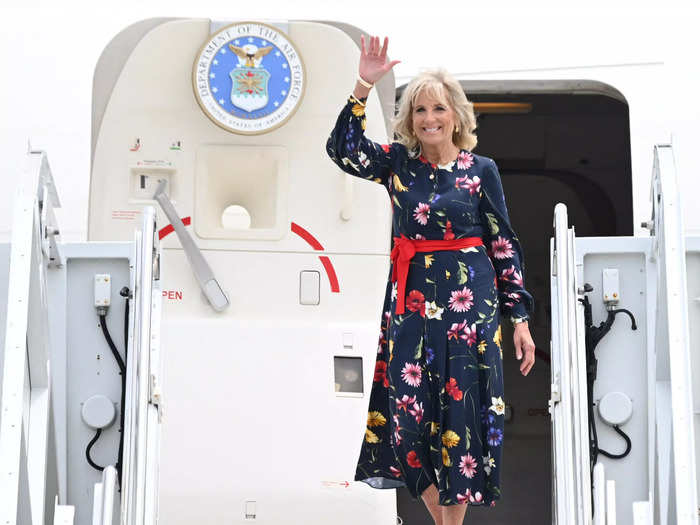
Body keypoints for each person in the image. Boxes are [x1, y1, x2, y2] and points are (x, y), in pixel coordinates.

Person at [326, 35, 536, 525]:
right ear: (409, 119)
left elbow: (502, 244)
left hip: (470, 309)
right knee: (409, 418)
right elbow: (343, 149)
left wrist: (520, 317)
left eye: (437, 108)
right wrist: (363, 85)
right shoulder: (399, 164)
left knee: (460, 418)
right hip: (412, 304)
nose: (428, 118)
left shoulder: (481, 171)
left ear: (456, 115)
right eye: (419, 110)